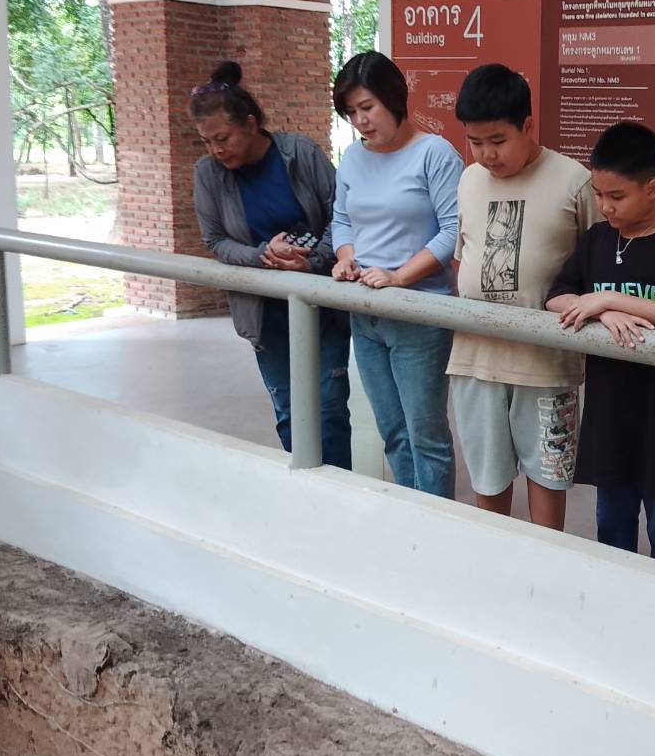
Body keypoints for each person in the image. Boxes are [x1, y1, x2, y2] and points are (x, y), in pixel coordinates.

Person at [546, 122, 655, 567]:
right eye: (599, 195)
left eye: (617, 196)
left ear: (651, 188)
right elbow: (557, 296)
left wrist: (610, 298)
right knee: (611, 521)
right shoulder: (596, 240)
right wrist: (601, 312)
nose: (605, 206)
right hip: (609, 410)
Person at [447, 63, 598, 530]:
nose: (486, 154)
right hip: (475, 361)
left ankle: (546, 567)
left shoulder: (574, 181)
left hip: (547, 368)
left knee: (549, 481)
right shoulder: (469, 180)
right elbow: (463, 257)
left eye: (498, 140)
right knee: (487, 481)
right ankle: (496, 566)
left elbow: (596, 267)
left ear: (528, 126)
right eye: (475, 142)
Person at [190, 60, 352, 469]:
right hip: (265, 315)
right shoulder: (208, 174)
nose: (216, 150)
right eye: (206, 142)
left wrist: (313, 261)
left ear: (250, 123)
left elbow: (342, 214)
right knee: (289, 411)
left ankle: (338, 492)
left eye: (223, 138)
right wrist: (263, 255)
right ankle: (302, 489)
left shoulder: (300, 153)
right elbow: (215, 241)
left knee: (329, 409)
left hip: (322, 304)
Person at [331, 51, 463, 498]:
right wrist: (347, 257)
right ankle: (408, 514)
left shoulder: (435, 153)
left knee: (427, 436)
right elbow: (342, 220)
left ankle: (434, 523)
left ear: (394, 98)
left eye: (367, 107)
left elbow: (453, 231)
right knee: (392, 431)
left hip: (419, 312)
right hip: (365, 311)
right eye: (352, 113)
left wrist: (400, 276)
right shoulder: (353, 157)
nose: (360, 121)